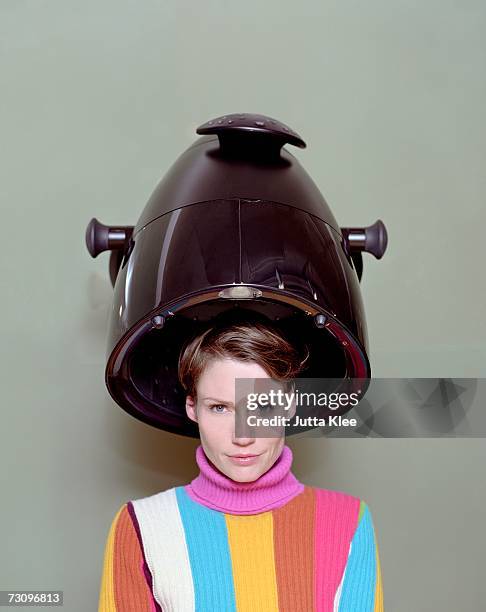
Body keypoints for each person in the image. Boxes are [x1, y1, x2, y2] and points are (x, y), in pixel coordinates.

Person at [98, 320, 384, 611]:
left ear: (290, 404)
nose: (242, 436)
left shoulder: (349, 520)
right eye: (219, 408)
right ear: (192, 407)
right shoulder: (140, 524)